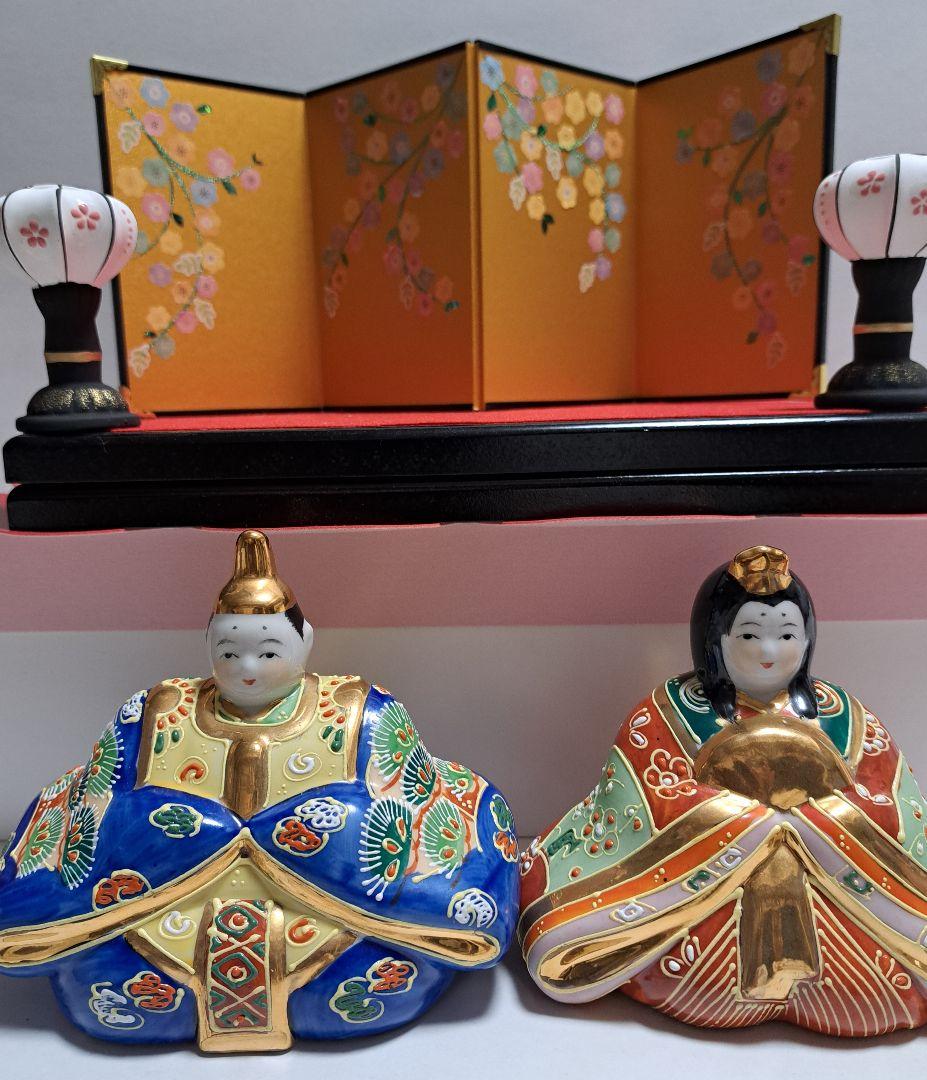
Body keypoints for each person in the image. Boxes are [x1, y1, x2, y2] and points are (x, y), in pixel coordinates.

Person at [0, 530, 518, 1051]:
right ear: (207, 644)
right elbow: (98, 810)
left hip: (330, 920)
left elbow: (408, 805)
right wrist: (192, 829)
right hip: (161, 918)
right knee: (103, 986)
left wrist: (300, 830)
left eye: (268, 652)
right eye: (229, 652)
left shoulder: (360, 711)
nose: (247, 670)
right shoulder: (157, 711)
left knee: (362, 985)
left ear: (305, 640)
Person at [520, 545, 927, 1035]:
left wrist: (815, 823)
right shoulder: (665, 712)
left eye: (786, 634)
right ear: (715, 639)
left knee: (875, 981)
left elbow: (893, 803)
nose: (769, 651)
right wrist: (758, 824)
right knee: (589, 944)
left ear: (808, 638)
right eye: (750, 634)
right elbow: (640, 803)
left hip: (842, 904)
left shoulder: (845, 713)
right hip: (701, 908)